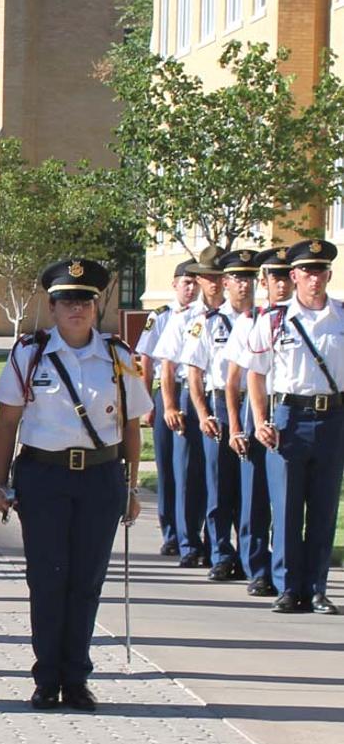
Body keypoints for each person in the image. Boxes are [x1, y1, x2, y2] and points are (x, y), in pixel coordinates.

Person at [0, 259, 149, 711]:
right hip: (44, 477)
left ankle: (76, 677)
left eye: (84, 300)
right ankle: (46, 678)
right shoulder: (30, 354)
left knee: (86, 580)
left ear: (96, 306)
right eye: (66, 301)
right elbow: (6, 423)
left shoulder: (119, 358)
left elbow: (132, 427)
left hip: (100, 477)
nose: (75, 309)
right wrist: (0, 482)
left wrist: (133, 488)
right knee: (46, 579)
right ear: (52, 306)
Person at [241, 239, 343, 615]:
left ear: (329, 275)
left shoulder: (342, 317)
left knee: (323, 506)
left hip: (332, 417)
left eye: (321, 271)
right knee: (285, 507)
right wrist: (259, 419)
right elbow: (256, 373)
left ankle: (317, 587)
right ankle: (287, 586)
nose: (314, 278)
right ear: (294, 275)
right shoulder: (274, 319)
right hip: (289, 417)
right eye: (307, 271)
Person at [180, 249, 254, 582]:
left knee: (252, 490)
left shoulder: (262, 320)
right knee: (219, 485)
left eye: (250, 278)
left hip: (253, 405)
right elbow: (194, 373)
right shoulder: (207, 323)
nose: (245, 285)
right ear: (226, 283)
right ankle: (221, 552)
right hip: (219, 407)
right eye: (238, 279)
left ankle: (253, 557)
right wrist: (203, 413)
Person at [224, 247, 292, 596]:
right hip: (255, 422)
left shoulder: (300, 319)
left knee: (286, 502)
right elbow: (234, 381)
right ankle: (257, 568)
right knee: (253, 502)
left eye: (285, 277)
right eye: (275, 277)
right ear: (265, 282)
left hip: (289, 421)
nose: (281, 284)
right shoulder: (250, 322)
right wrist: (236, 426)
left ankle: (286, 570)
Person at [153, 247, 222, 568]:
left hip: (220, 397)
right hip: (186, 398)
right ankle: (187, 542)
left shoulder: (238, 317)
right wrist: (168, 405)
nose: (214, 284)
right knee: (186, 472)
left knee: (216, 474)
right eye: (208, 278)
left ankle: (216, 541)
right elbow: (167, 365)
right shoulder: (184, 317)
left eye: (218, 277)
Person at [133, 260, 196, 556]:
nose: (192, 287)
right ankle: (171, 532)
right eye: (186, 282)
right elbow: (146, 360)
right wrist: (147, 404)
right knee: (169, 467)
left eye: (196, 282)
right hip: (166, 393)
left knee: (193, 469)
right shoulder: (161, 316)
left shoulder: (206, 316)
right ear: (174, 284)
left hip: (197, 393)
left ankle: (192, 531)